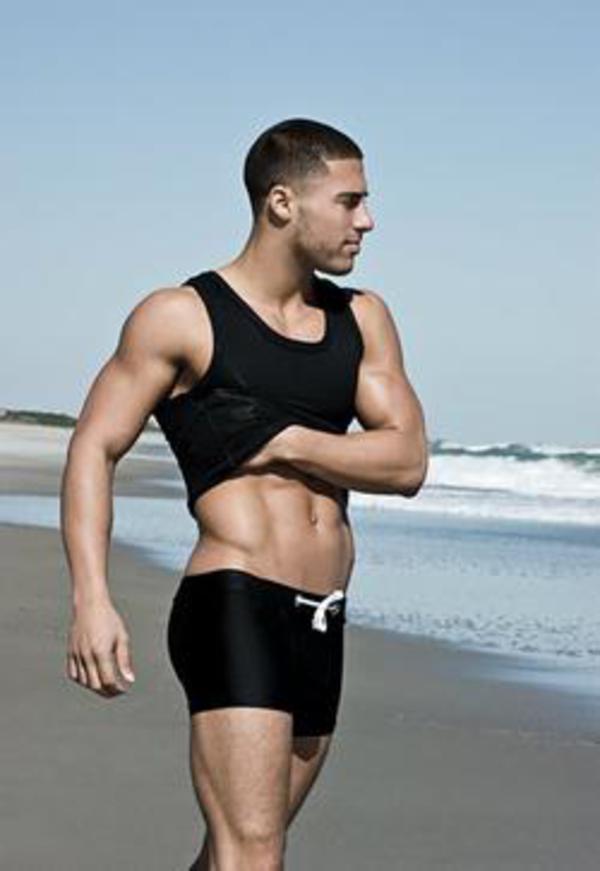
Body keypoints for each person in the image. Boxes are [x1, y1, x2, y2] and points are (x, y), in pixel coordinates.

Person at [61, 117, 428, 871]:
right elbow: (93, 446)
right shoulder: (181, 317)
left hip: (321, 615)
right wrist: (91, 598)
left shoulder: (361, 318)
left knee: (237, 850)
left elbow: (406, 461)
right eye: (350, 200)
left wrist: (286, 440)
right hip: (235, 600)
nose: (367, 220)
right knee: (255, 851)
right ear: (282, 202)